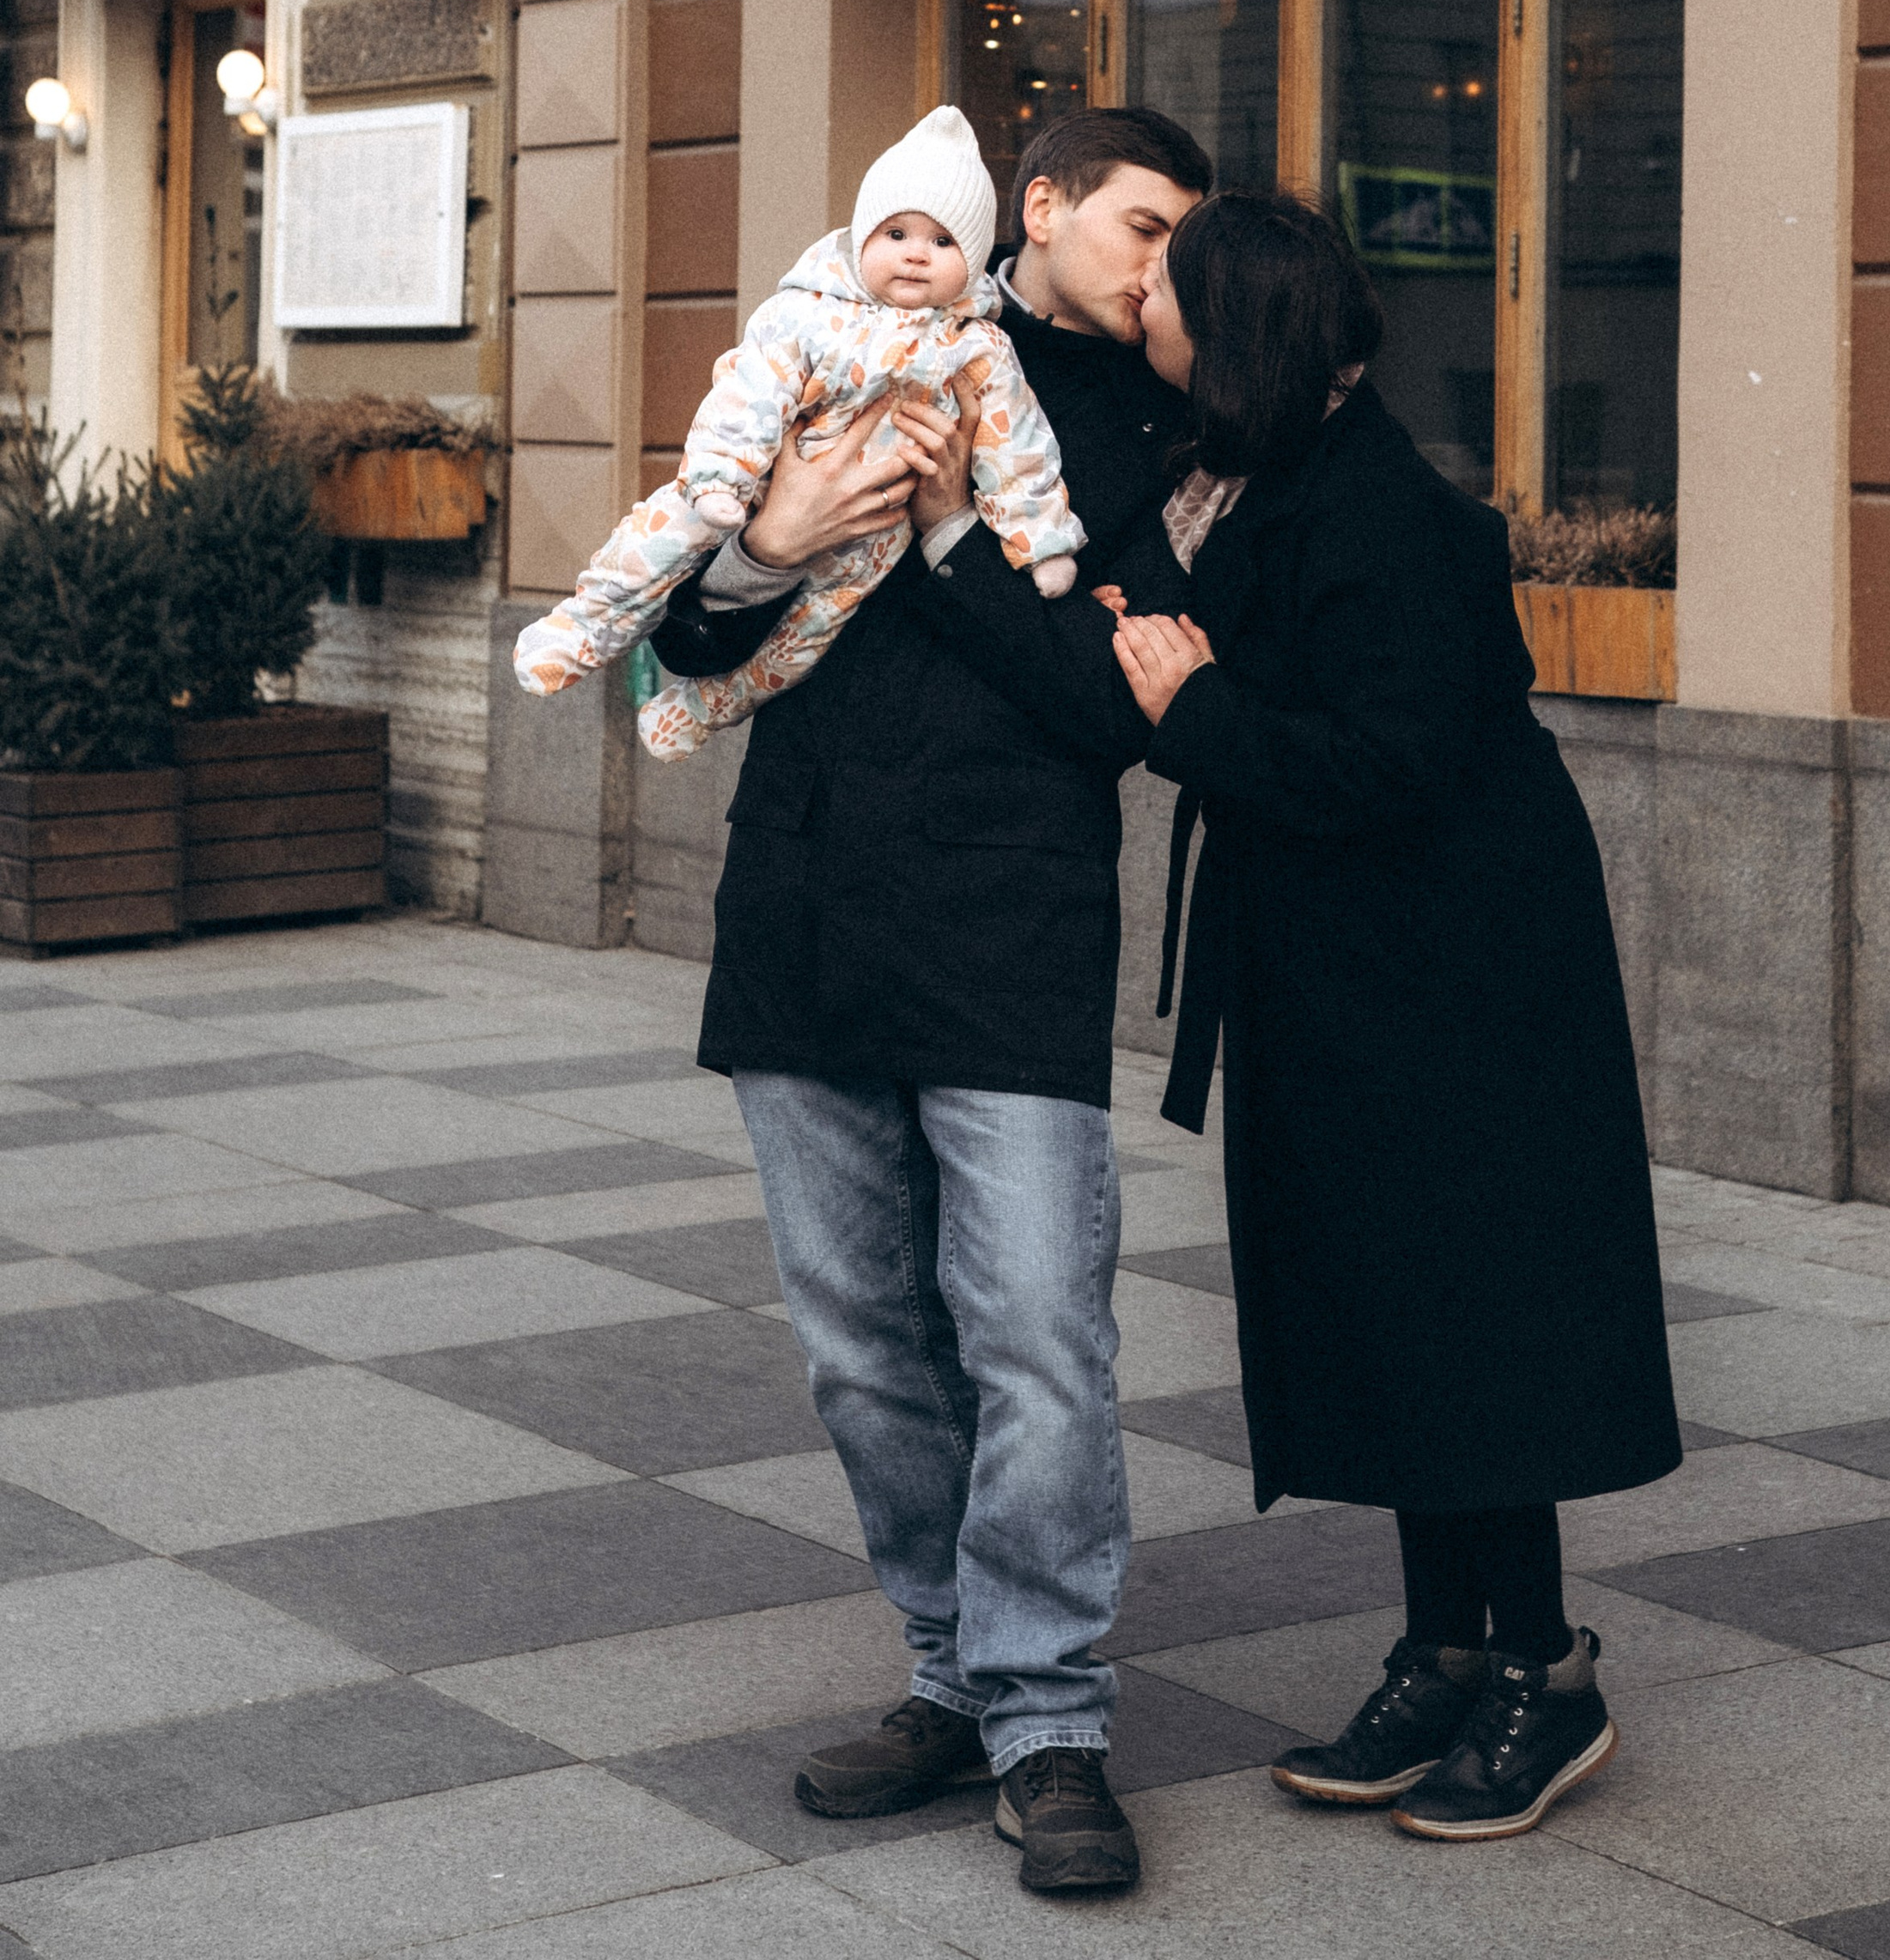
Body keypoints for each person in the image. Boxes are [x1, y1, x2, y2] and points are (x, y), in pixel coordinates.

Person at [931, 190, 1682, 1846]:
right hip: (1349, 969)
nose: (1149, 322)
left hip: (1458, 984)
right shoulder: (1262, 480)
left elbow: (1385, 767)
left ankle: (1544, 1675)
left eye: (1172, 302)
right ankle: (1445, 1642)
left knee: (1467, 1313)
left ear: (1241, 330)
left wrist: (1194, 701)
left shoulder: (1394, 516)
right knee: (1387, 1306)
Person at [648, 106, 1211, 1897]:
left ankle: (1048, 1720)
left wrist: (956, 530)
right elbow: (684, 630)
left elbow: (1109, 705)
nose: (1158, 267)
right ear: (1031, 212)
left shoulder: (1142, 433)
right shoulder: (825, 343)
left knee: (1038, 1334)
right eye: (1136, 227)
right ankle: (948, 1675)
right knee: (859, 1345)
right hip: (805, 912)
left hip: (1011, 927)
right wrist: (775, 535)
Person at [509, 106, 1082, 746]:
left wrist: (1042, 540)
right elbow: (750, 392)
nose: (918, 254)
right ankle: (581, 630)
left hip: (876, 535)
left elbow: (1020, 449)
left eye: (944, 242)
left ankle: (696, 714)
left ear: (971, 261)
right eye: (897, 234)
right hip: (753, 484)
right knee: (658, 539)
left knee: (804, 643)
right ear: (862, 236)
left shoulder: (979, 347)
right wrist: (724, 478)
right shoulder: (805, 313)